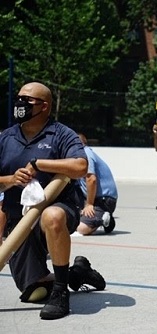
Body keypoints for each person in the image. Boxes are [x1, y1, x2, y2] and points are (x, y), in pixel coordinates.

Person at [0, 82, 106, 320]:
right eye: (19, 98)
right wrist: (11, 178)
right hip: (18, 222)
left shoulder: (61, 134)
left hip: (58, 210)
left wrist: (40, 163)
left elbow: (80, 167)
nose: (20, 104)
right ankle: (76, 273)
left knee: (52, 215)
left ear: (45, 106)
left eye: (27, 100)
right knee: (34, 291)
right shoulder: (5, 138)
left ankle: (61, 293)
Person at [76, 133, 118, 235]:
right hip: (91, 197)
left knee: (82, 229)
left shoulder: (85, 154)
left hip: (103, 200)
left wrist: (89, 204)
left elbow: (91, 179)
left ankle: (102, 217)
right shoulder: (77, 156)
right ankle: (98, 218)